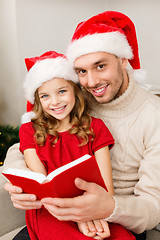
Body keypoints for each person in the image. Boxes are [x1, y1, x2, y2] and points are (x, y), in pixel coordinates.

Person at [3, 10, 160, 240]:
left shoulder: (153, 115)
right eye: (82, 72)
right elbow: (25, 143)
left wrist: (105, 209)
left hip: (116, 218)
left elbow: (152, 206)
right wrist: (22, 181)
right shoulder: (75, 100)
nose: (92, 82)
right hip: (58, 209)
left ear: (124, 60)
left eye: (100, 66)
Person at [7, 50, 135, 240]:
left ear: (75, 91)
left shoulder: (95, 127)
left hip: (93, 207)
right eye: (45, 96)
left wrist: (89, 215)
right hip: (50, 210)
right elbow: (44, 188)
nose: (55, 102)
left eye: (62, 91)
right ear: (37, 101)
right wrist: (78, 218)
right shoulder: (29, 131)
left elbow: (107, 189)